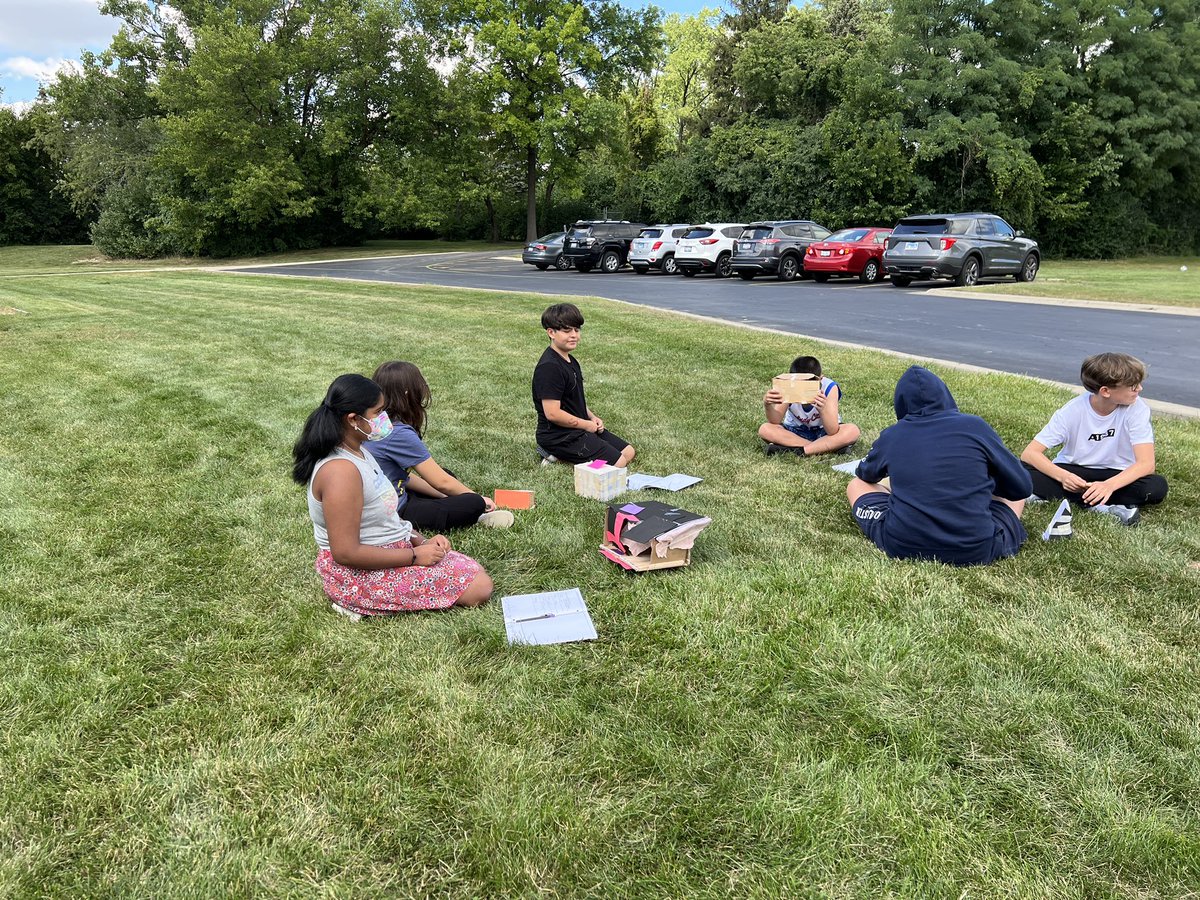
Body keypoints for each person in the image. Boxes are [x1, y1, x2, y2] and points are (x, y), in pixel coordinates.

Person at [292, 373, 493, 616]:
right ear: (353, 419)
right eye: (378, 413)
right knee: (479, 588)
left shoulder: (361, 451)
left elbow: (386, 518)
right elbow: (345, 552)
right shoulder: (340, 472)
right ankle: (352, 601)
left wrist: (420, 540)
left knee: (474, 571)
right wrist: (414, 556)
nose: (385, 419)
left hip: (389, 550)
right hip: (358, 573)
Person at [846, 366, 1032, 566]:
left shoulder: (893, 434)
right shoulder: (976, 427)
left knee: (855, 485)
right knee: (1011, 497)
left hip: (902, 544)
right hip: (978, 549)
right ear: (946, 395)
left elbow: (865, 474)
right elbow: (1022, 487)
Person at [1019, 352, 1168, 526]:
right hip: (1075, 471)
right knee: (1018, 469)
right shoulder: (1073, 410)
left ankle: (1064, 497)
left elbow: (1146, 464)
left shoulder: (1137, 408)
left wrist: (1108, 486)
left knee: (1156, 487)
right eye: (1132, 386)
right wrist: (1063, 477)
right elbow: (1030, 454)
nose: (1139, 389)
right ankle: (1105, 505)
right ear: (1105, 391)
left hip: (1116, 474)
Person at [367, 361, 513, 531]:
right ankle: (476, 517)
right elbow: (441, 482)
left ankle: (456, 506)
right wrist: (478, 499)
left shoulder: (376, 424)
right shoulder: (398, 433)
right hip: (393, 512)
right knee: (471, 503)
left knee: (447, 478)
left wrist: (444, 494)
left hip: (389, 494)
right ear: (408, 393)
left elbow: (403, 477)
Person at [532, 302, 635, 466]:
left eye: (577, 330)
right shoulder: (549, 368)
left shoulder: (570, 360)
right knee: (618, 463)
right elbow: (552, 414)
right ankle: (556, 454)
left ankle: (569, 457)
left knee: (628, 452)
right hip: (558, 436)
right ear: (551, 332)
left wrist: (592, 418)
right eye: (567, 331)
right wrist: (586, 425)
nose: (574, 335)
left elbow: (574, 400)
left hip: (578, 428)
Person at [759, 355, 861, 456]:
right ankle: (825, 448)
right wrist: (768, 405)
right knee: (765, 429)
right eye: (798, 385)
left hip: (823, 431)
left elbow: (832, 430)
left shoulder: (829, 387)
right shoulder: (788, 386)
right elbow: (775, 420)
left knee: (852, 430)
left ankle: (796, 450)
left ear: (820, 379)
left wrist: (823, 410)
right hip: (795, 432)